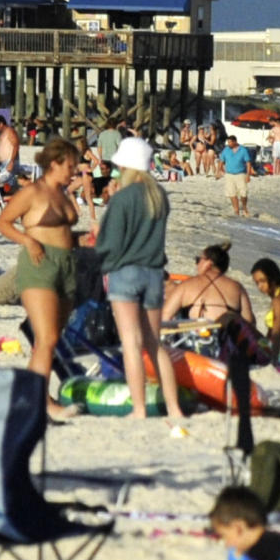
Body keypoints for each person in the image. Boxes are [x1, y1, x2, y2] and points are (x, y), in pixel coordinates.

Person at [95, 138, 182, 420]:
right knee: (155, 344)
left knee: (131, 344)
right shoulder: (159, 196)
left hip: (125, 273)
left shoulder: (122, 198)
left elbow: (110, 244)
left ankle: (140, 408)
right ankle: (174, 408)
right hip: (154, 273)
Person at [0, 138, 81, 419]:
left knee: (49, 341)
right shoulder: (33, 192)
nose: (74, 171)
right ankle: (43, 402)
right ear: (54, 164)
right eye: (70, 166)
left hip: (66, 265)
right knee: (47, 337)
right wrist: (27, 241)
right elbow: (3, 222)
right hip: (39, 264)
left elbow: (61, 232)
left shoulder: (63, 194)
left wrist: (83, 240)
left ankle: (29, 396)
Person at [162, 243, 255, 326]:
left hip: (194, 338)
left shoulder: (187, 286)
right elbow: (249, 321)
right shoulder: (237, 288)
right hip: (226, 340)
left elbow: (166, 316)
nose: (196, 264)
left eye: (198, 260)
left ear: (209, 263)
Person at [218, 135, 254, 216]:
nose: (228, 144)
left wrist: (248, 175)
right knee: (232, 193)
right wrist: (218, 171)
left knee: (243, 193)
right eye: (228, 142)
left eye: (230, 142)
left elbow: (248, 163)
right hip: (229, 174)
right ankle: (236, 210)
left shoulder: (243, 150)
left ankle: (244, 207)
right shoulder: (226, 150)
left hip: (240, 174)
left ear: (235, 142)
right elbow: (221, 161)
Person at [0, 115, 20, 182]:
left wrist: (12, 161)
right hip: (3, 163)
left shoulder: (10, 131)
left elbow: (16, 146)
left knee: (8, 183)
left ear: (1, 124)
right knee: (5, 184)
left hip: (9, 162)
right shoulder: (2, 133)